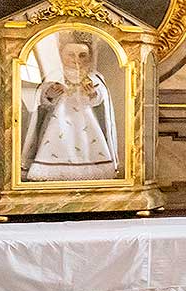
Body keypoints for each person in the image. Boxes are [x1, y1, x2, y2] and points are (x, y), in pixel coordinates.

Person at [22, 35, 119, 182]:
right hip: (57, 123)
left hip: (87, 124)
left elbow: (101, 100)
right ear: (61, 56)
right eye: (71, 55)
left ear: (90, 57)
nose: (76, 59)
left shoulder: (94, 77)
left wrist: (92, 93)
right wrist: (51, 93)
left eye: (82, 55)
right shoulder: (55, 75)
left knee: (87, 147)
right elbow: (42, 100)